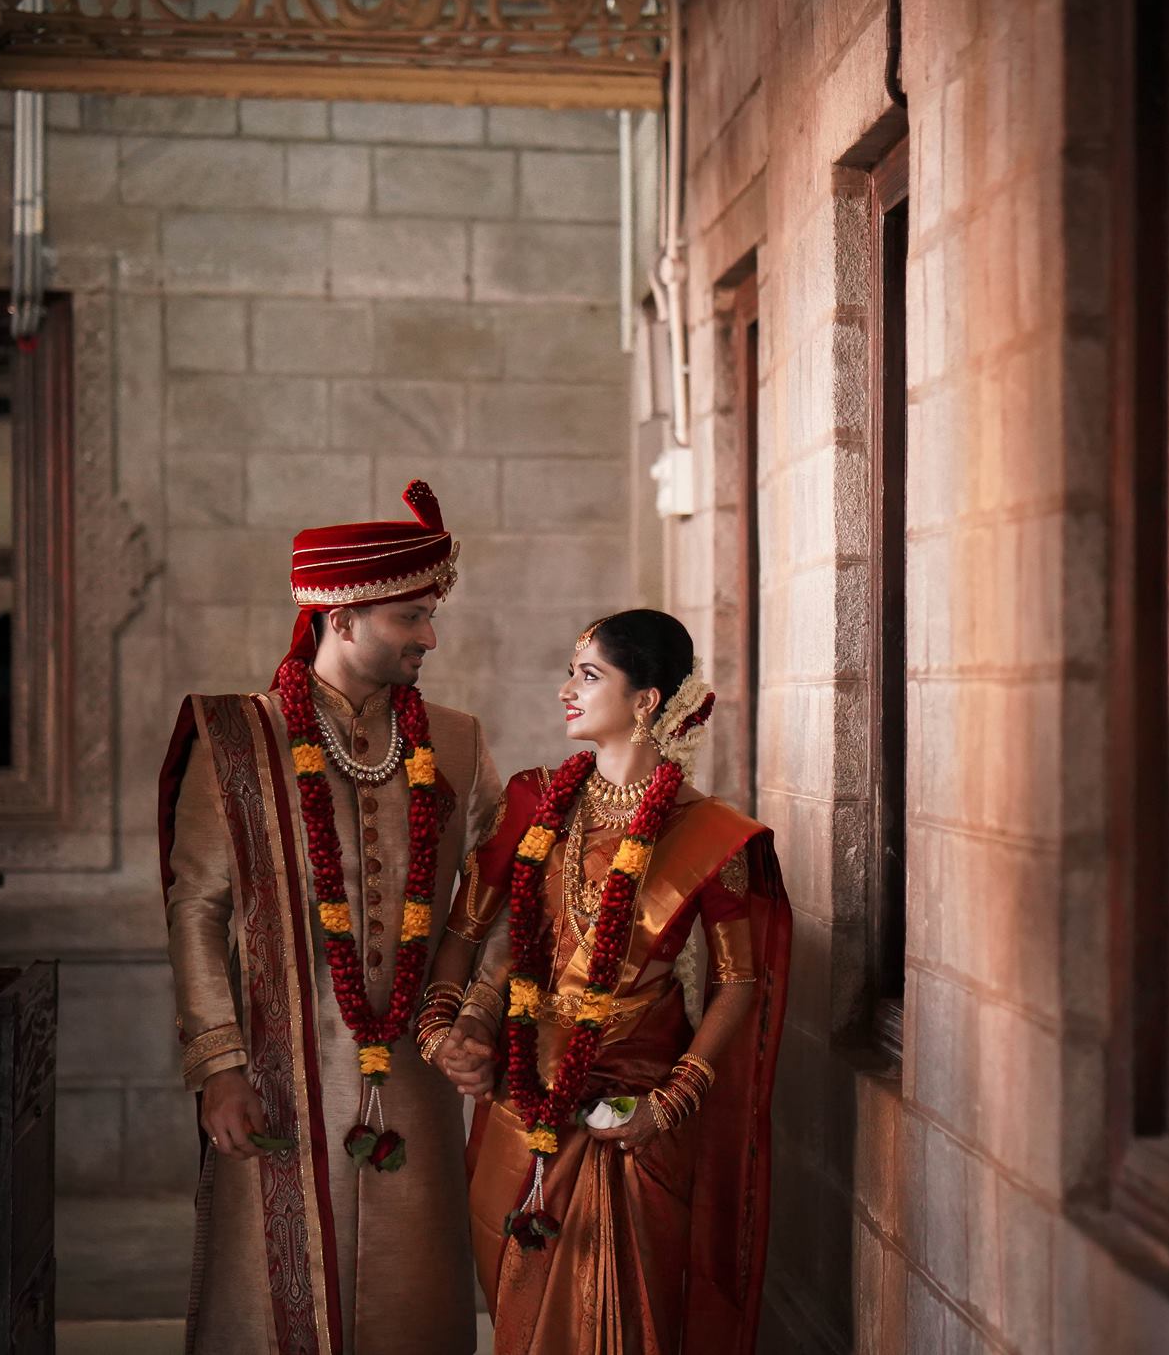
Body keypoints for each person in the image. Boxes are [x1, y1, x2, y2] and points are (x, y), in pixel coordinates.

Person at [158, 480, 501, 1355]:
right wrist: (219, 1067)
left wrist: (473, 1017)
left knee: (417, 1302)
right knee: (272, 1308)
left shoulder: (456, 741)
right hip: (278, 1070)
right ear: (340, 618)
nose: (430, 636)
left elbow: (499, 898)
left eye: (430, 615)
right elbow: (198, 906)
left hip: (418, 1079)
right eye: (410, 618)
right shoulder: (236, 738)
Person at [429, 609, 790, 1354]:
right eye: (572, 672)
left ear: (647, 700)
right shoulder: (535, 802)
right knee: (521, 1301)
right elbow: (470, 931)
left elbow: (742, 983)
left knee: (630, 1309)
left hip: (634, 1101)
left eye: (589, 675)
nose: (567, 689)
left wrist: (672, 1101)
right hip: (521, 1093)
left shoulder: (710, 834)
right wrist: (448, 1026)